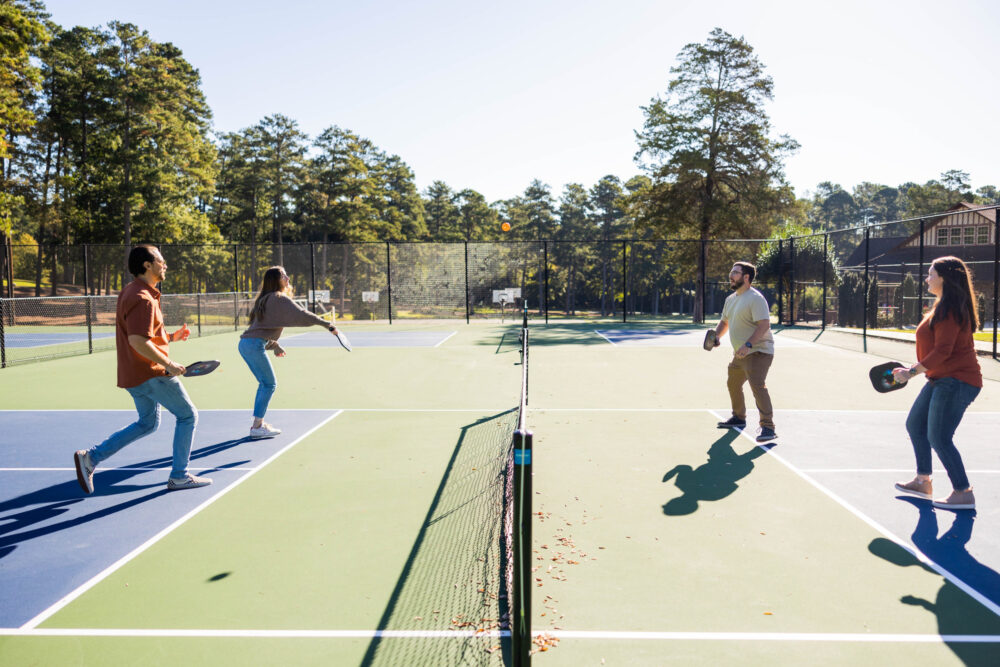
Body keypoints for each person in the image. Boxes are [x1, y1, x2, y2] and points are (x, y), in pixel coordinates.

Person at [73, 245, 210, 494]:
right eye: (161, 260)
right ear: (147, 265)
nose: (165, 264)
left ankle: (90, 458)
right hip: (151, 373)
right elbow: (137, 341)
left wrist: (171, 336)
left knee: (147, 423)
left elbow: (145, 335)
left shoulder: (134, 292)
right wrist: (169, 364)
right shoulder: (143, 298)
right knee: (188, 416)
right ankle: (179, 476)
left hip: (134, 374)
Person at [893, 256, 982, 510]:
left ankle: (963, 491)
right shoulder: (942, 306)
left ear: (944, 278)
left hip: (957, 381)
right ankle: (923, 481)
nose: (927, 278)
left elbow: (943, 351)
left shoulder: (951, 310)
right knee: (915, 425)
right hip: (940, 378)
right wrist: (915, 369)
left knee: (939, 436)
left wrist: (911, 371)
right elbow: (937, 351)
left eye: (931, 274)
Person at [238, 266, 342, 439]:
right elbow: (303, 314)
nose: (287, 278)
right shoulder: (279, 298)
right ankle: (257, 426)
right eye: (283, 276)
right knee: (269, 384)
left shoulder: (264, 299)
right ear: (276, 280)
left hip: (246, 344)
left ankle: (258, 424)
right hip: (253, 345)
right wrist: (328, 325)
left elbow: (261, 329)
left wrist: (274, 344)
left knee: (265, 383)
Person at [708, 261, 777, 443]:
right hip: (740, 354)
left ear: (746, 277)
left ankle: (768, 427)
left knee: (757, 385)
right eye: (731, 271)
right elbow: (725, 322)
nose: (731, 275)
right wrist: (716, 336)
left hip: (759, 351)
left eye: (736, 272)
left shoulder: (755, 298)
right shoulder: (731, 299)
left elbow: (764, 325)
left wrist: (748, 345)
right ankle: (739, 417)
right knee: (733, 382)